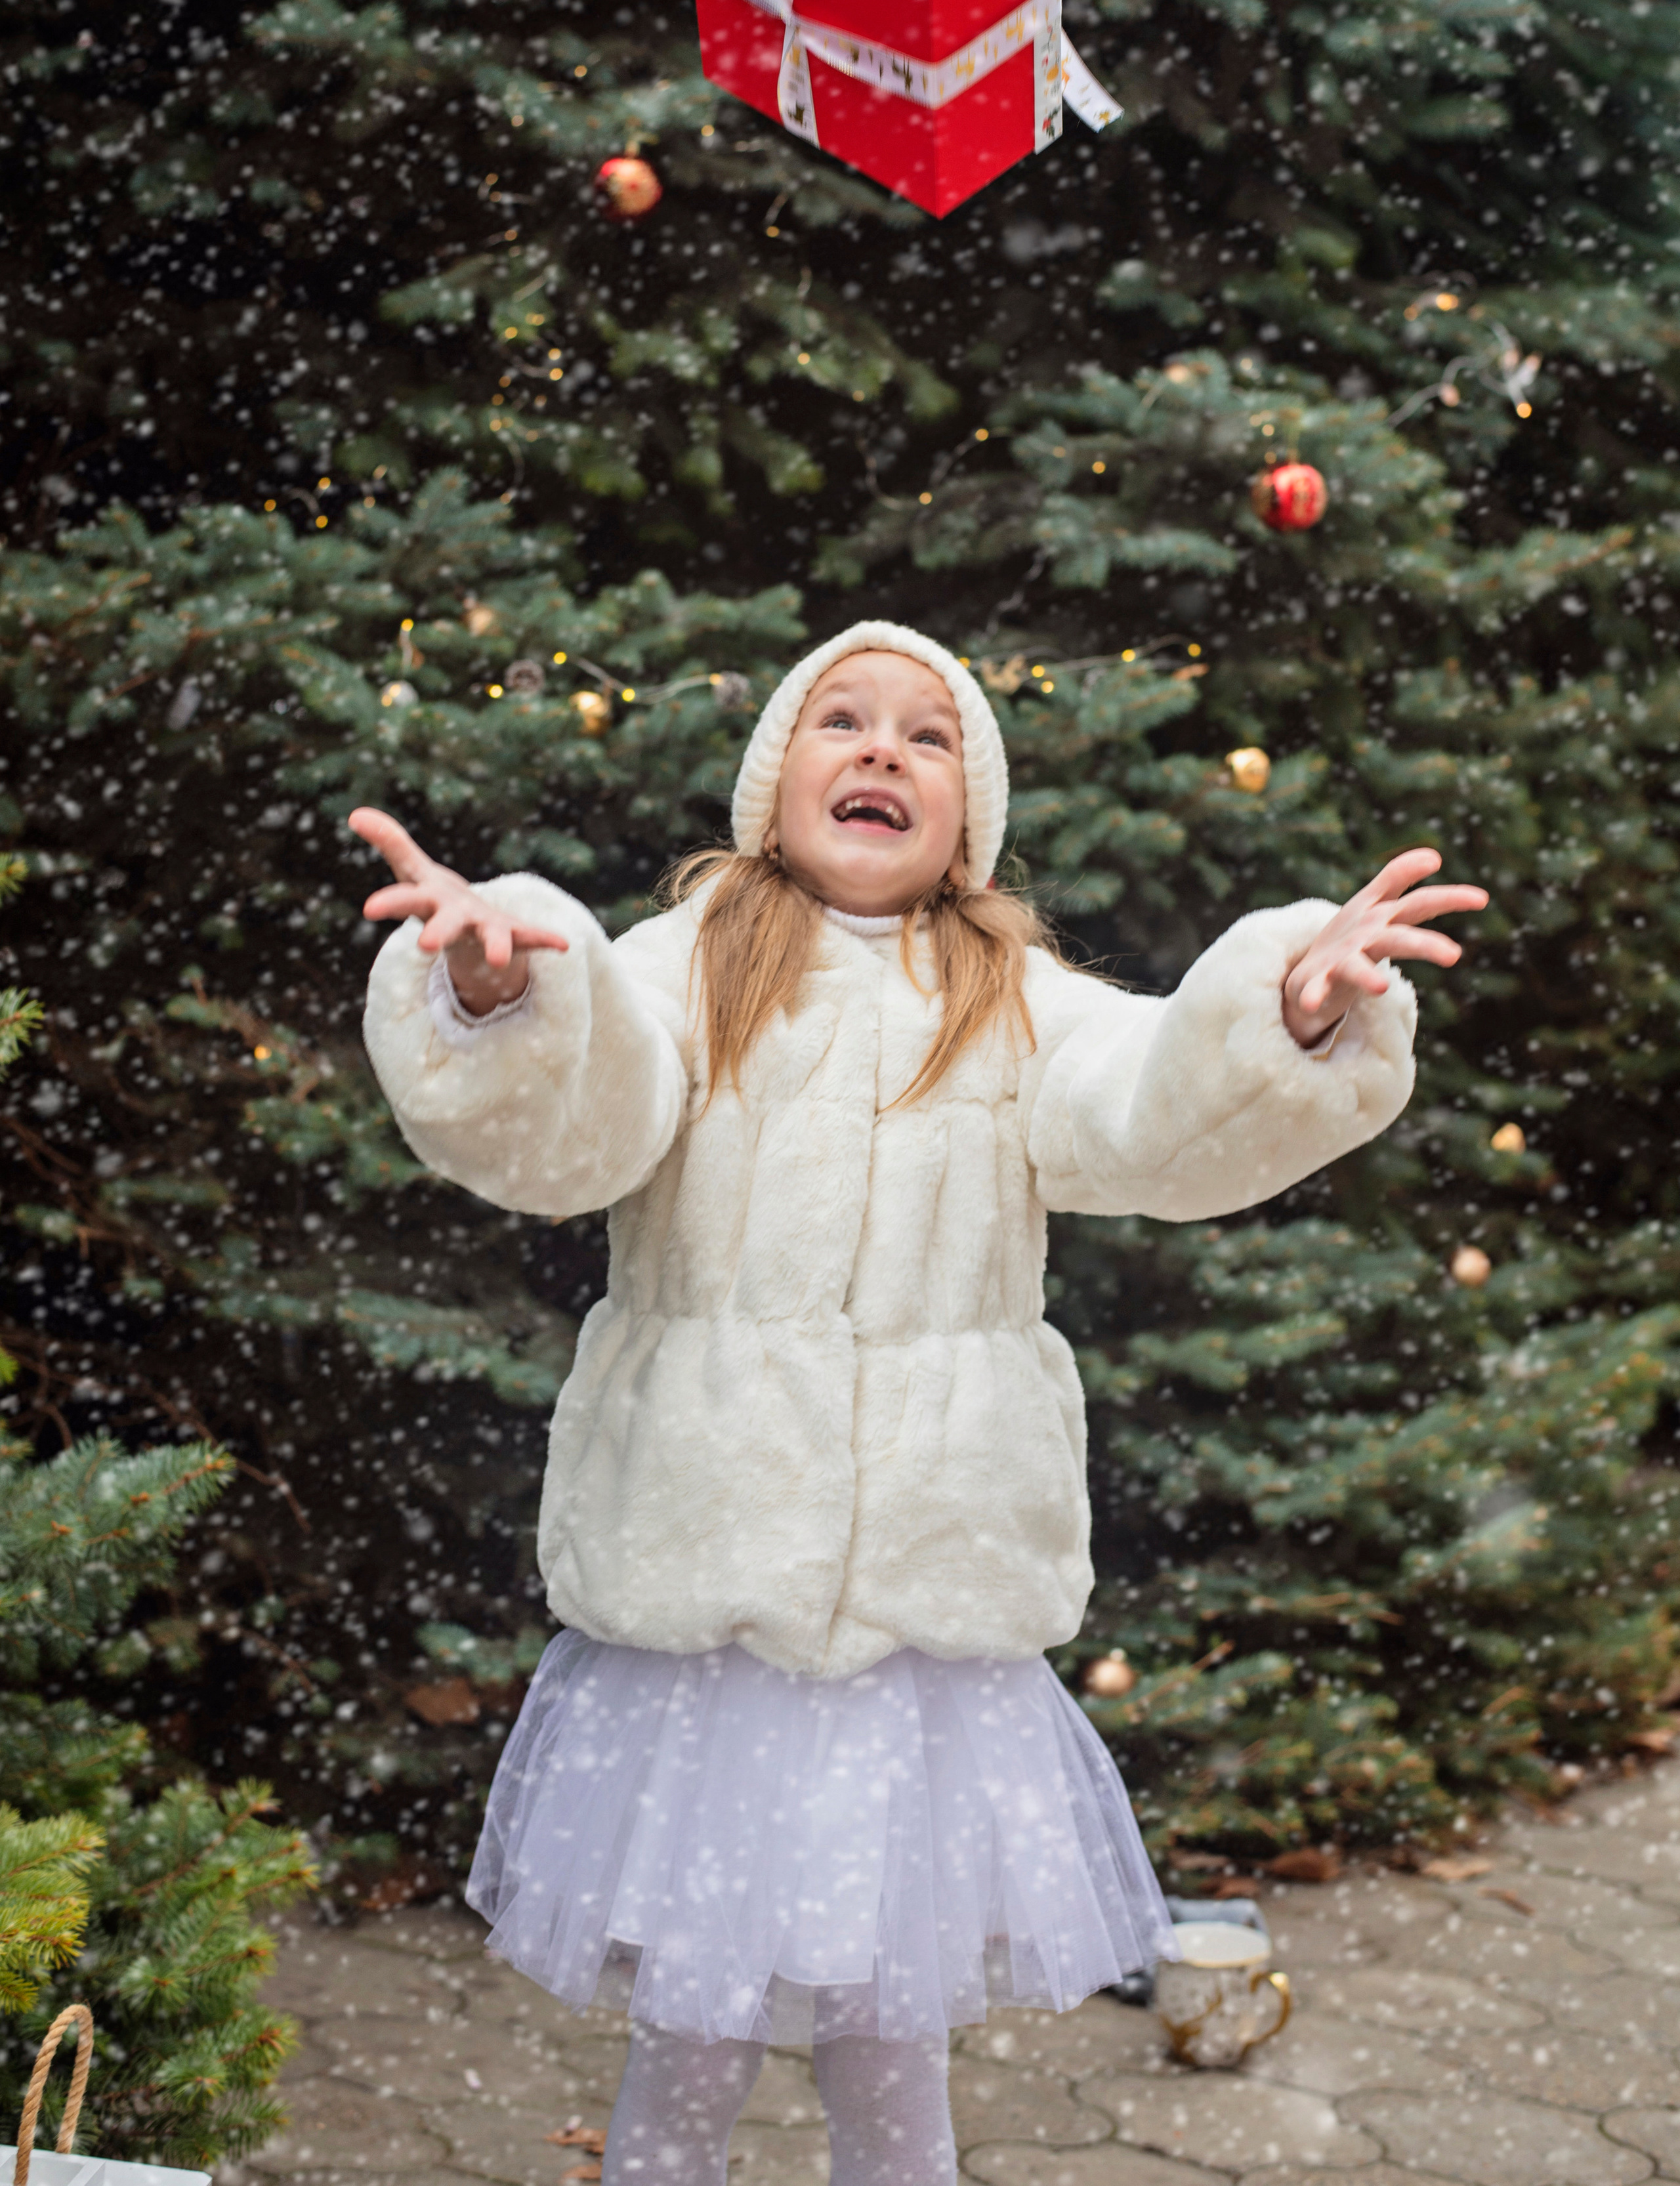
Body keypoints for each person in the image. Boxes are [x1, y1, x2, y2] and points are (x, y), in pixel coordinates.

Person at [352, 618, 1486, 2186]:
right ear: (773, 782)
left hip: (919, 1631)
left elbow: (1151, 1107)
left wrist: (1283, 1018)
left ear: (968, 818)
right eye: (842, 721)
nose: (881, 750)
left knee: (894, 2053)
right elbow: (581, 1122)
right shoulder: (686, 966)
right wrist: (503, 1001)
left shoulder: (1010, 997)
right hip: (714, 1616)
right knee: (690, 2039)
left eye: (927, 735)